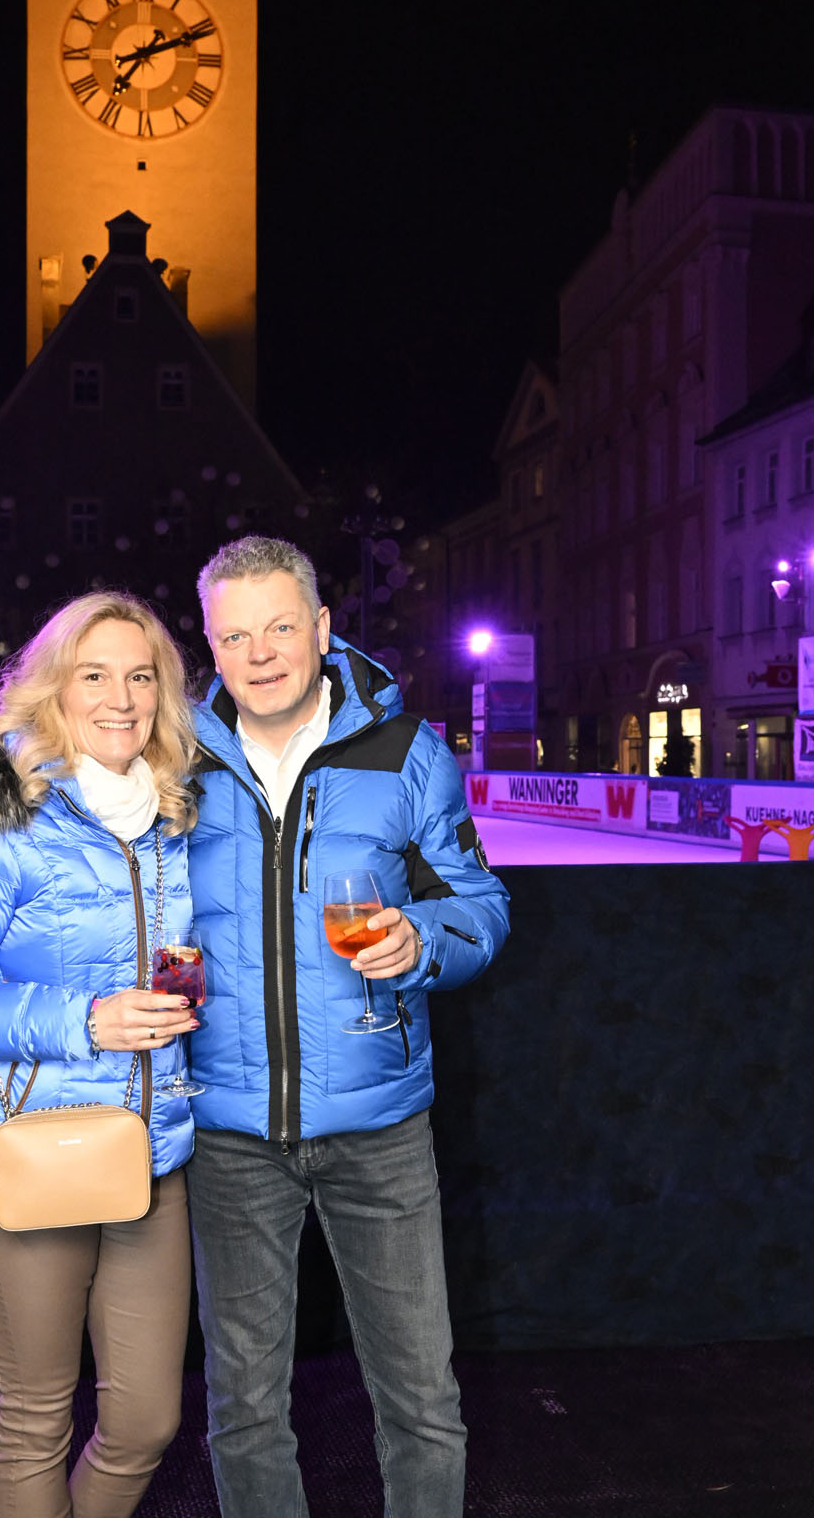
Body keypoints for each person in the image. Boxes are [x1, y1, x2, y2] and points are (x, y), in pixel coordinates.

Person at [185, 536, 511, 1517]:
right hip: (228, 1130)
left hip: (379, 1126)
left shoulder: (405, 751)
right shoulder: (173, 758)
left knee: (420, 1398)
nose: (260, 653)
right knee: (243, 1406)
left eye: (281, 626)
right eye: (234, 635)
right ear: (210, 643)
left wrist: (423, 937)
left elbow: (480, 906)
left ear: (322, 628)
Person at [0, 593, 201, 1518]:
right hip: (31, 1150)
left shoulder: (174, 814)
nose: (120, 698)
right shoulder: (3, 814)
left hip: (151, 1154)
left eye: (140, 676)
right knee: (36, 1420)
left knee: (146, 1421)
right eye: (93, 675)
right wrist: (86, 1020)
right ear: (53, 689)